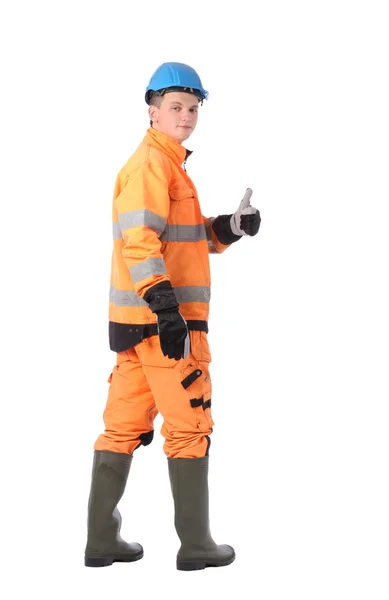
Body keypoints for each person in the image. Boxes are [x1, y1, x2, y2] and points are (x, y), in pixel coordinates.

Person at [84, 61, 261, 571]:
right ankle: (197, 544)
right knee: (189, 426)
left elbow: (182, 241)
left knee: (120, 427)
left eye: (193, 107)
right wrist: (167, 309)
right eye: (176, 107)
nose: (186, 116)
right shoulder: (152, 166)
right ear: (153, 111)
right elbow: (140, 244)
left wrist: (229, 227)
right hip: (168, 326)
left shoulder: (168, 167)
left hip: (136, 329)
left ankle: (101, 540)